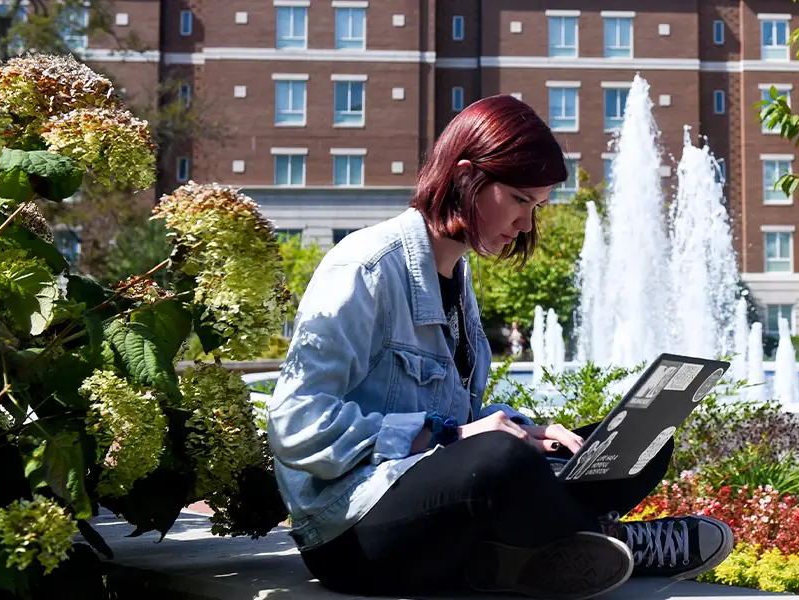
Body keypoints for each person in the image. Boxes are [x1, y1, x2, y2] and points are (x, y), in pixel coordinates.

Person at [266, 96, 732, 600]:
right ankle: (615, 541)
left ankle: (518, 557)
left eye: (536, 207)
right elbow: (296, 424)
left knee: (638, 445)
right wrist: (455, 434)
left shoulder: (456, 277)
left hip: (433, 520)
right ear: (467, 176)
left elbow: (456, 419)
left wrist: (529, 431)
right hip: (352, 536)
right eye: (519, 200)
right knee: (498, 460)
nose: (526, 225)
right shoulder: (366, 267)